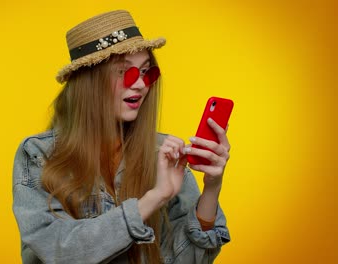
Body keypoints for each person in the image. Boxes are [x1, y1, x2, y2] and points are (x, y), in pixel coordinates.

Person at [12, 10, 231, 264]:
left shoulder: (163, 154)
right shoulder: (39, 154)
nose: (139, 84)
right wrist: (152, 200)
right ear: (90, 82)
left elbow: (188, 260)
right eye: (125, 72)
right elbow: (59, 252)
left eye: (147, 73)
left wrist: (212, 188)